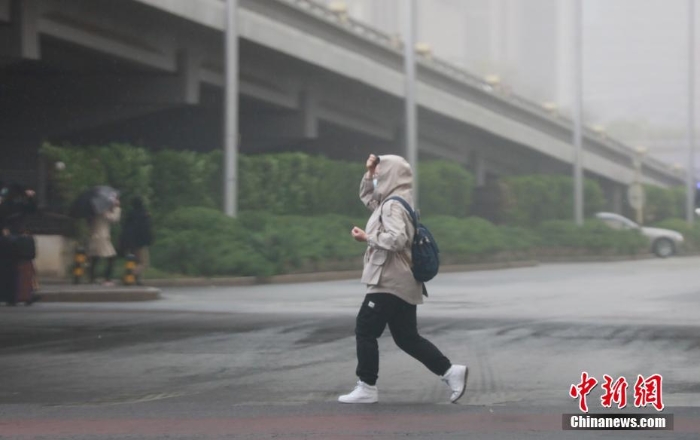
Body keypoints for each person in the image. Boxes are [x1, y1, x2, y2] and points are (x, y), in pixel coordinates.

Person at [338, 154, 468, 404]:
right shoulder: (393, 201)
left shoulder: (392, 206)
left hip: (389, 280)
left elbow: (397, 239)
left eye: (379, 173)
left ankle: (366, 386)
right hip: (401, 281)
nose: (376, 177)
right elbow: (368, 197)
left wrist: (367, 238)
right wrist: (368, 172)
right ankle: (451, 372)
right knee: (407, 338)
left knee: (365, 329)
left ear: (391, 175)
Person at [87, 197, 121, 286]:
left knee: (95, 257)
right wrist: (117, 208)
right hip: (102, 237)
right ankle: (107, 279)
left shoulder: (93, 211)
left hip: (95, 236)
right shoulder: (103, 211)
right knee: (111, 257)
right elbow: (114, 219)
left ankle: (91, 277)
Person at [120, 197, 153, 285]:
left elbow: (125, 228)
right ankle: (130, 274)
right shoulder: (144, 215)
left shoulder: (130, 215)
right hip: (140, 242)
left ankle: (138, 279)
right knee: (144, 263)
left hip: (129, 242)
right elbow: (146, 230)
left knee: (134, 261)